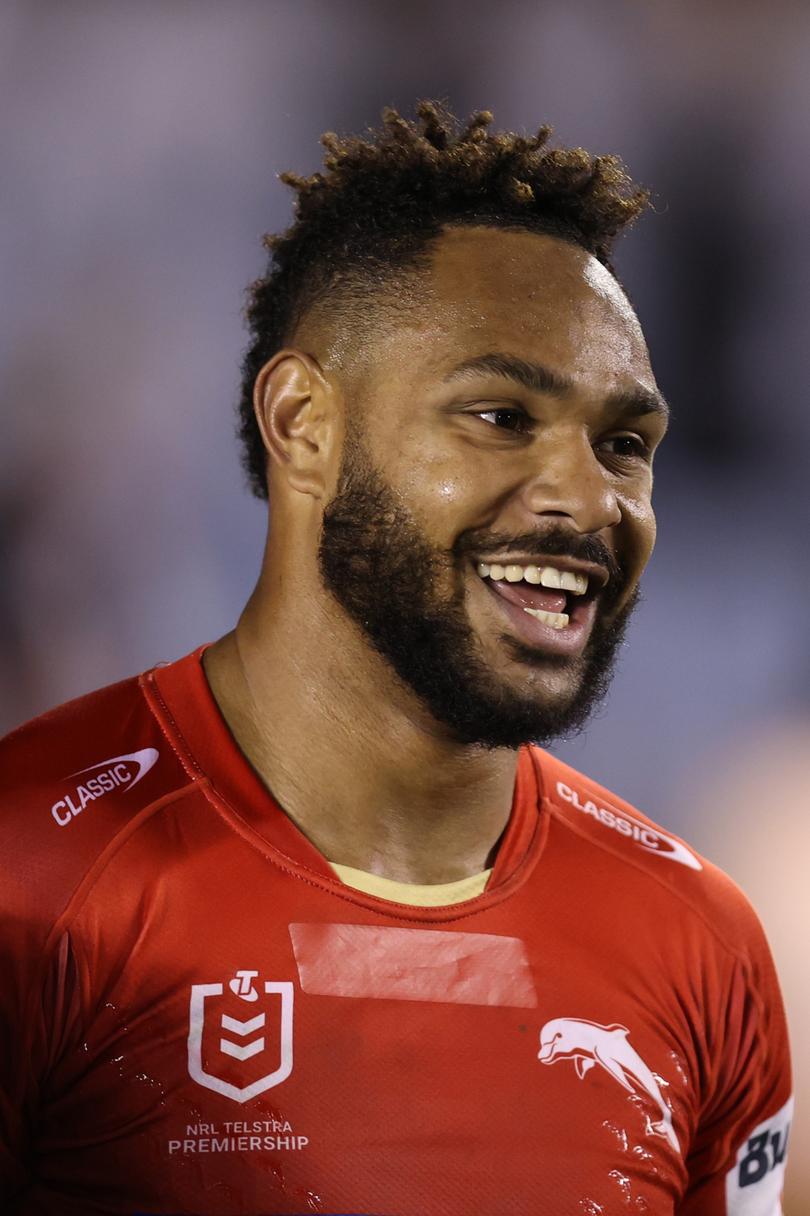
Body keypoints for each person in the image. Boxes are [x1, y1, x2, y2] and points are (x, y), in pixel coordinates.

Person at [0, 102, 792, 1215]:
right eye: (499, 415)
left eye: (624, 444)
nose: (588, 500)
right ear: (303, 424)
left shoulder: (700, 947)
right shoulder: (31, 882)